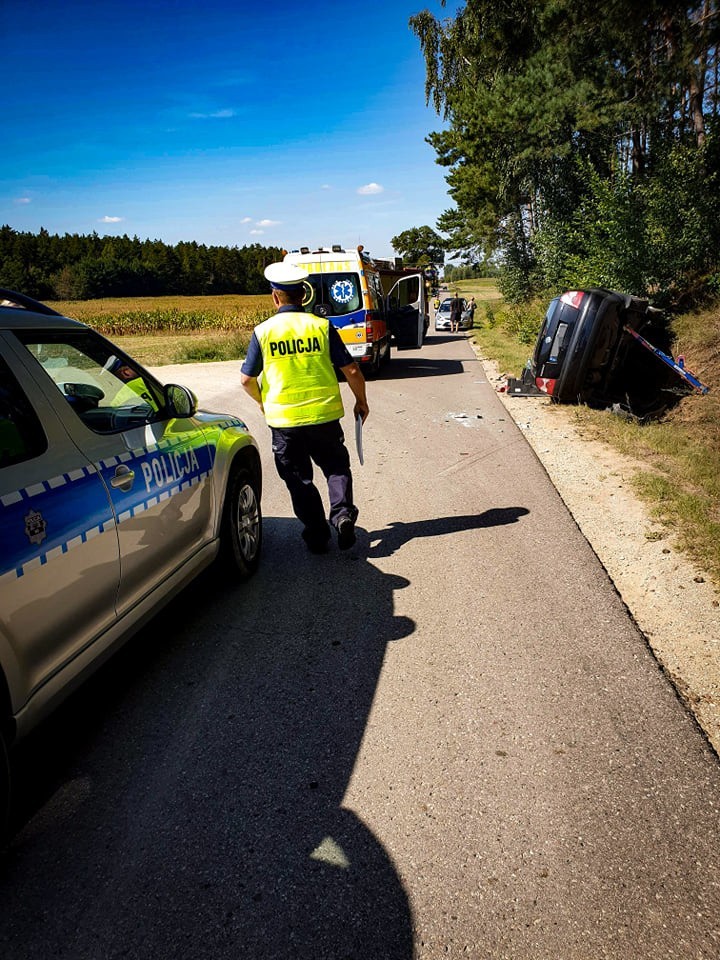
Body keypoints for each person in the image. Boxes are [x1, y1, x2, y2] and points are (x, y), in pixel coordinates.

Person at [240, 262, 369, 554]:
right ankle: (342, 515)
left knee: (299, 481)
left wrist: (263, 403)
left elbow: (247, 380)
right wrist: (361, 401)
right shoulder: (322, 326)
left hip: (285, 424)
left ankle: (317, 533)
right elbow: (350, 370)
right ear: (304, 295)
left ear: (275, 297)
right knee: (336, 467)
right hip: (324, 418)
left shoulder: (263, 332)